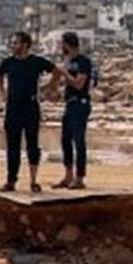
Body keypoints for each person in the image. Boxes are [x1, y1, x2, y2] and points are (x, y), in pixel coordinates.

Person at [0, 31, 51, 192]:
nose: (13, 46)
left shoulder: (36, 61)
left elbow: (56, 71)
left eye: (16, 43)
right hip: (13, 107)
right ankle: (11, 180)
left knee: (32, 144)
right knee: (12, 145)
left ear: (25, 44)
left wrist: (47, 88)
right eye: (12, 43)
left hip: (31, 106)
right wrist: (2, 92)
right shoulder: (8, 62)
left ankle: (33, 180)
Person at [53, 32, 94, 189]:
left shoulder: (83, 62)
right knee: (65, 140)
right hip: (69, 104)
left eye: (61, 44)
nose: (60, 47)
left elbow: (79, 84)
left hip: (80, 104)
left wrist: (64, 73)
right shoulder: (67, 61)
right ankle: (68, 175)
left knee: (78, 140)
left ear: (67, 44)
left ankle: (80, 177)